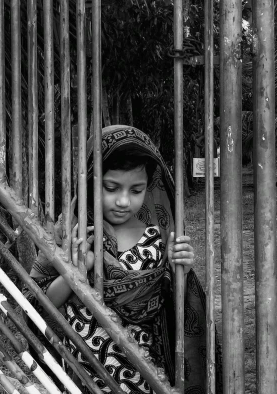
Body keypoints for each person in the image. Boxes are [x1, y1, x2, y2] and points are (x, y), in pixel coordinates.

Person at [27, 125, 214, 394]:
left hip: (142, 375)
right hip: (83, 374)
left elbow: (174, 311)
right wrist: (74, 273)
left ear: (149, 188)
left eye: (136, 191)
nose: (124, 201)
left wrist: (179, 270)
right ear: (90, 181)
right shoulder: (71, 237)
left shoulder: (155, 241)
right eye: (112, 188)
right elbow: (40, 303)